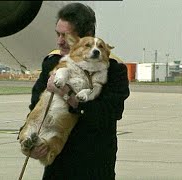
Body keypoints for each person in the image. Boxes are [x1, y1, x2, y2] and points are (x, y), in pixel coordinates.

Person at [21, 2, 130, 179]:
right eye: (58, 34)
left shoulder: (114, 68)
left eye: (66, 35)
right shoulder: (52, 62)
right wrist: (29, 143)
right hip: (57, 168)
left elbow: (110, 113)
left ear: (86, 36)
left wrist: (67, 94)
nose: (59, 41)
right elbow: (35, 107)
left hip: (93, 167)